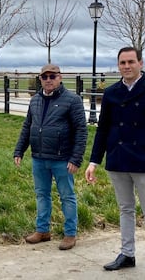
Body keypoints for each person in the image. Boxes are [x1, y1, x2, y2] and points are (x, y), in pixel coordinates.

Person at [85, 46, 145, 279]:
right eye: (122, 63)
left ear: (141, 63)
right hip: (118, 158)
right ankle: (127, 254)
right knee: (125, 209)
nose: (126, 67)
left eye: (130, 62)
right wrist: (94, 161)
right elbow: (104, 128)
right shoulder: (111, 93)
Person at [13, 64, 87, 250]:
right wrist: (19, 150)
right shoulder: (35, 100)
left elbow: (81, 131)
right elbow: (27, 126)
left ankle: (70, 233)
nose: (48, 80)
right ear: (40, 79)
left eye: (52, 76)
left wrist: (76, 158)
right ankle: (42, 230)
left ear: (60, 77)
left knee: (67, 196)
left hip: (62, 159)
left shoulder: (72, 100)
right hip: (39, 157)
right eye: (44, 77)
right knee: (41, 195)